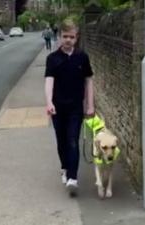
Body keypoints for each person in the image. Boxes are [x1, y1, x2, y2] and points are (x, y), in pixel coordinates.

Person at [44, 20, 94, 196]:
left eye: (71, 37)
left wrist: (90, 105)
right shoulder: (52, 59)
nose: (68, 40)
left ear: (76, 37)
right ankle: (65, 167)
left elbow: (88, 81)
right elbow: (49, 81)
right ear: (60, 37)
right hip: (58, 108)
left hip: (75, 108)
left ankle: (73, 178)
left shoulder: (82, 57)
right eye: (65, 36)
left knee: (72, 139)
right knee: (62, 141)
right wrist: (49, 102)